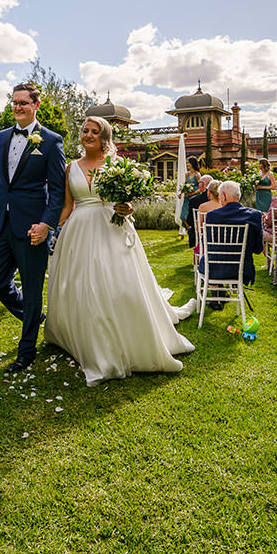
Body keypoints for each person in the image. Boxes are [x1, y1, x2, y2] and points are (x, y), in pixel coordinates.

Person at [44, 116, 195, 386]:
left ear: (104, 137)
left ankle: (127, 338)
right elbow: (68, 206)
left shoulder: (116, 166)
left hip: (111, 229)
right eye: (84, 131)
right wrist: (51, 227)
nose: (88, 135)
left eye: (94, 132)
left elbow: (125, 202)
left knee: (117, 284)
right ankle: (83, 338)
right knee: (80, 285)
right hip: (78, 231)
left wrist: (127, 209)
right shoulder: (70, 168)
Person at [0, 83, 66, 372]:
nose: (17, 107)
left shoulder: (51, 141)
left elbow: (58, 190)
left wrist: (47, 224)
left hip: (32, 228)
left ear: (36, 105)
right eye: (14, 102)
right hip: (1, 222)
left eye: (24, 103)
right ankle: (33, 315)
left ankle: (26, 351)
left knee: (33, 287)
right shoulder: (0, 137)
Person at [197, 180, 264, 285]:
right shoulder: (255, 216)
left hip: (213, 269)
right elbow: (258, 249)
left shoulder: (212, 216)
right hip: (242, 270)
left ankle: (216, 293)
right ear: (239, 196)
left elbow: (206, 244)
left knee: (207, 258)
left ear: (223, 196)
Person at [193, 179, 223, 258]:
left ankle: (202, 262)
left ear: (209, 192)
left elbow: (198, 228)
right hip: (224, 240)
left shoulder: (203, 207)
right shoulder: (225, 206)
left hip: (208, 241)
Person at [186, 174, 213, 250]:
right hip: (215, 233)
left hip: (198, 233)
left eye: (199, 183)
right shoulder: (219, 201)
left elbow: (190, 220)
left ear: (202, 185)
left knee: (191, 229)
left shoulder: (194, 200)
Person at [178, 156, 201, 233]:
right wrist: (181, 193)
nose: (187, 164)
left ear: (192, 163)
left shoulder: (197, 175)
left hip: (193, 198)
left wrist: (192, 193)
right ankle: (190, 232)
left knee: (191, 217)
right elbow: (185, 185)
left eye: (188, 162)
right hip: (186, 198)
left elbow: (201, 188)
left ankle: (192, 233)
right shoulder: (187, 174)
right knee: (183, 216)